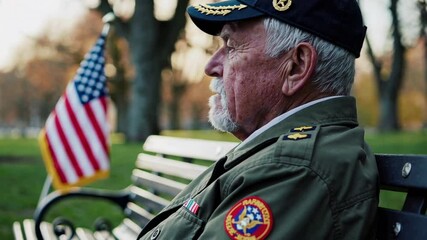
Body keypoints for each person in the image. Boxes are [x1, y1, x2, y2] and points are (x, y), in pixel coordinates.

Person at [137, 0, 378, 239]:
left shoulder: (292, 170)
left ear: (296, 66)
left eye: (231, 46)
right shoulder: (288, 156)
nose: (211, 66)